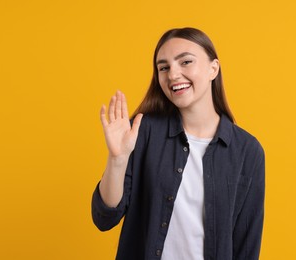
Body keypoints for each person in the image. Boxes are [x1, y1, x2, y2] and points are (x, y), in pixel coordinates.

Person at [92, 27, 265, 260]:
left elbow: (247, 245)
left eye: (185, 62)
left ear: (213, 68)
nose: (172, 74)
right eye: (164, 67)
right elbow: (104, 218)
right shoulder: (142, 132)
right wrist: (117, 159)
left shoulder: (247, 150)